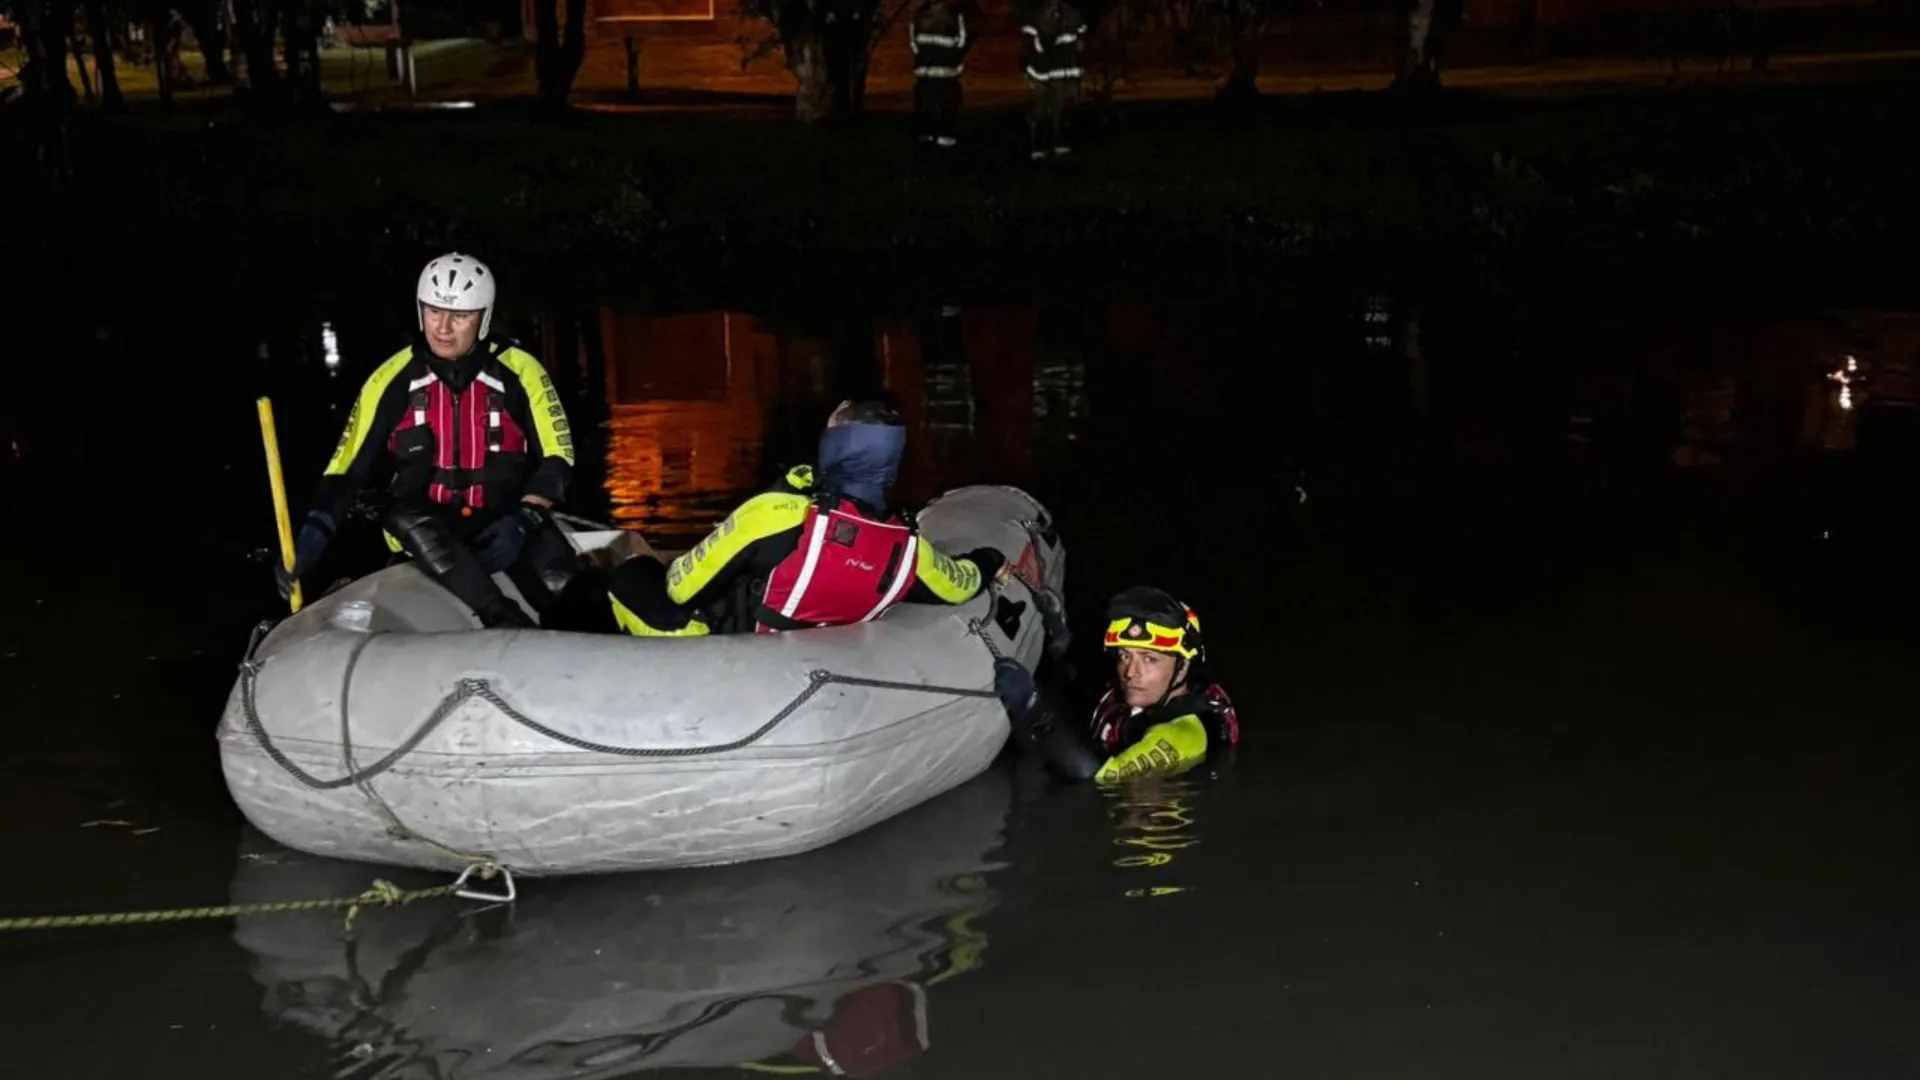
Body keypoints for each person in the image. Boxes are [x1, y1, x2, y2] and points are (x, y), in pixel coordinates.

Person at [276, 253, 596, 630]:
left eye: (460, 316)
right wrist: (311, 539)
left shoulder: (520, 370)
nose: (443, 328)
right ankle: (501, 616)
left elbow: (558, 456)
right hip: (429, 532)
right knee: (399, 514)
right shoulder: (390, 379)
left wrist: (526, 518)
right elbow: (347, 471)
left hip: (507, 519)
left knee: (570, 589)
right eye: (433, 312)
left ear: (483, 318)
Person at [606, 399, 1005, 636]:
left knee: (629, 573)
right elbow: (959, 586)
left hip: (721, 646)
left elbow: (681, 589)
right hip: (809, 647)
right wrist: (988, 559)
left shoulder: (774, 514)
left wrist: (772, 497)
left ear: (833, 448)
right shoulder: (906, 546)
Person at [994, 586, 1238, 782]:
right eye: (1125, 655)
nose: (1131, 671)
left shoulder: (1180, 735)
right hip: (1105, 728)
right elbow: (1090, 678)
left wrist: (1031, 708)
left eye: (1150, 659)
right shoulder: (1145, 689)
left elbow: (1096, 776)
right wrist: (1058, 630)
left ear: (1183, 667)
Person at [1019, 0, 1085, 160]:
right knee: (1040, 107)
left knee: (1060, 106)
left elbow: (1079, 42)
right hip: (1041, 69)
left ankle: (1057, 138)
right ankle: (1038, 141)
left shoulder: (1073, 15)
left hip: (1062, 69)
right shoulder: (1034, 17)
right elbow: (1030, 46)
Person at [909, 0, 971, 148]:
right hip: (945, 72)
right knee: (945, 103)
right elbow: (962, 42)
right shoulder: (955, 15)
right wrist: (956, 62)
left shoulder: (919, 14)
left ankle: (928, 133)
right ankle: (941, 134)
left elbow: (913, 42)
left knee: (927, 103)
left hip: (928, 72)